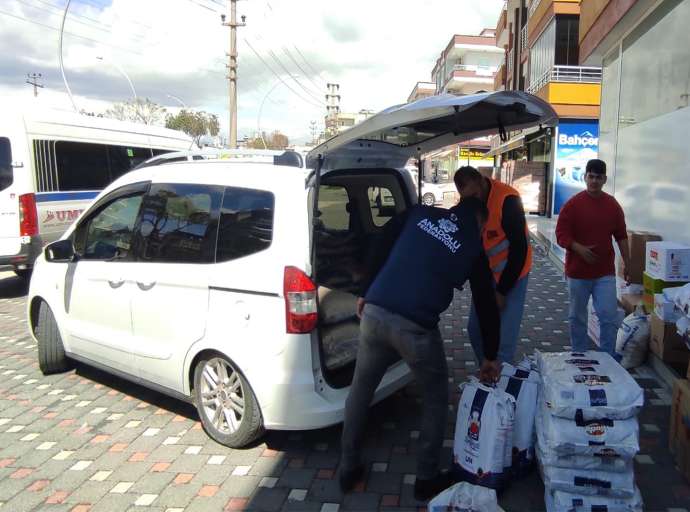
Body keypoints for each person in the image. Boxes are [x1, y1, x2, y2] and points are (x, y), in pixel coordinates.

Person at [339, 197, 501, 502]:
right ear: (479, 222)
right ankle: (426, 478)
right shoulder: (472, 246)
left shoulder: (418, 214)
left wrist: (365, 291)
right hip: (415, 328)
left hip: (375, 313)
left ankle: (348, 469)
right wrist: (491, 354)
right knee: (436, 398)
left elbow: (380, 243)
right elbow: (485, 304)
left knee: (360, 390)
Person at [453, 166, 532, 364]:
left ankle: (500, 385)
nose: (474, 200)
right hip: (487, 274)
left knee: (504, 341)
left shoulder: (508, 199)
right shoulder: (468, 203)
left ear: (482, 180)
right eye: (468, 197)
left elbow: (519, 249)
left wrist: (502, 291)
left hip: (514, 273)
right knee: (475, 331)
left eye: (476, 194)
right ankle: (487, 371)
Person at [555, 158, 630, 356]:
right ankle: (579, 354)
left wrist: (629, 264)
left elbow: (621, 236)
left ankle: (607, 358)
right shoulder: (572, 205)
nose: (594, 181)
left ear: (605, 179)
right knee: (577, 317)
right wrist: (578, 248)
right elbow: (561, 235)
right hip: (577, 274)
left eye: (598, 177)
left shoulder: (612, 205)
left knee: (608, 316)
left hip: (604, 273)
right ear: (585, 177)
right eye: (591, 176)